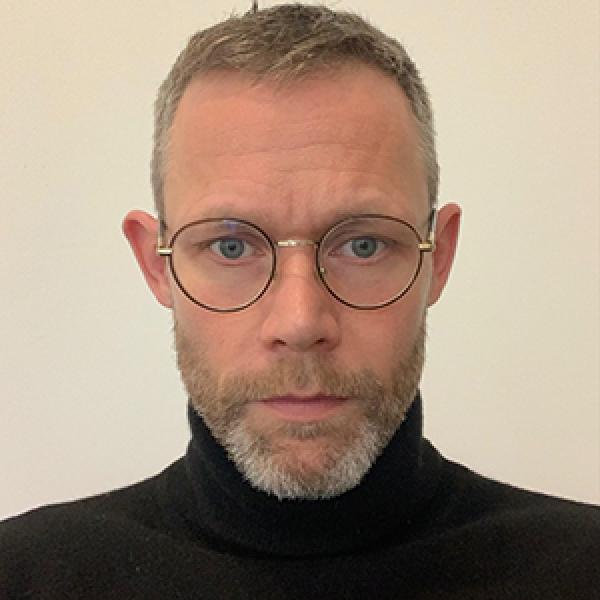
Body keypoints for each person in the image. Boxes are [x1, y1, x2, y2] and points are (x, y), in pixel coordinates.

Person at [1, 3, 598, 598]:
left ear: (437, 258)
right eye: (231, 246)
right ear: (154, 265)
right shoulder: (24, 575)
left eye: (363, 244)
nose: (300, 321)